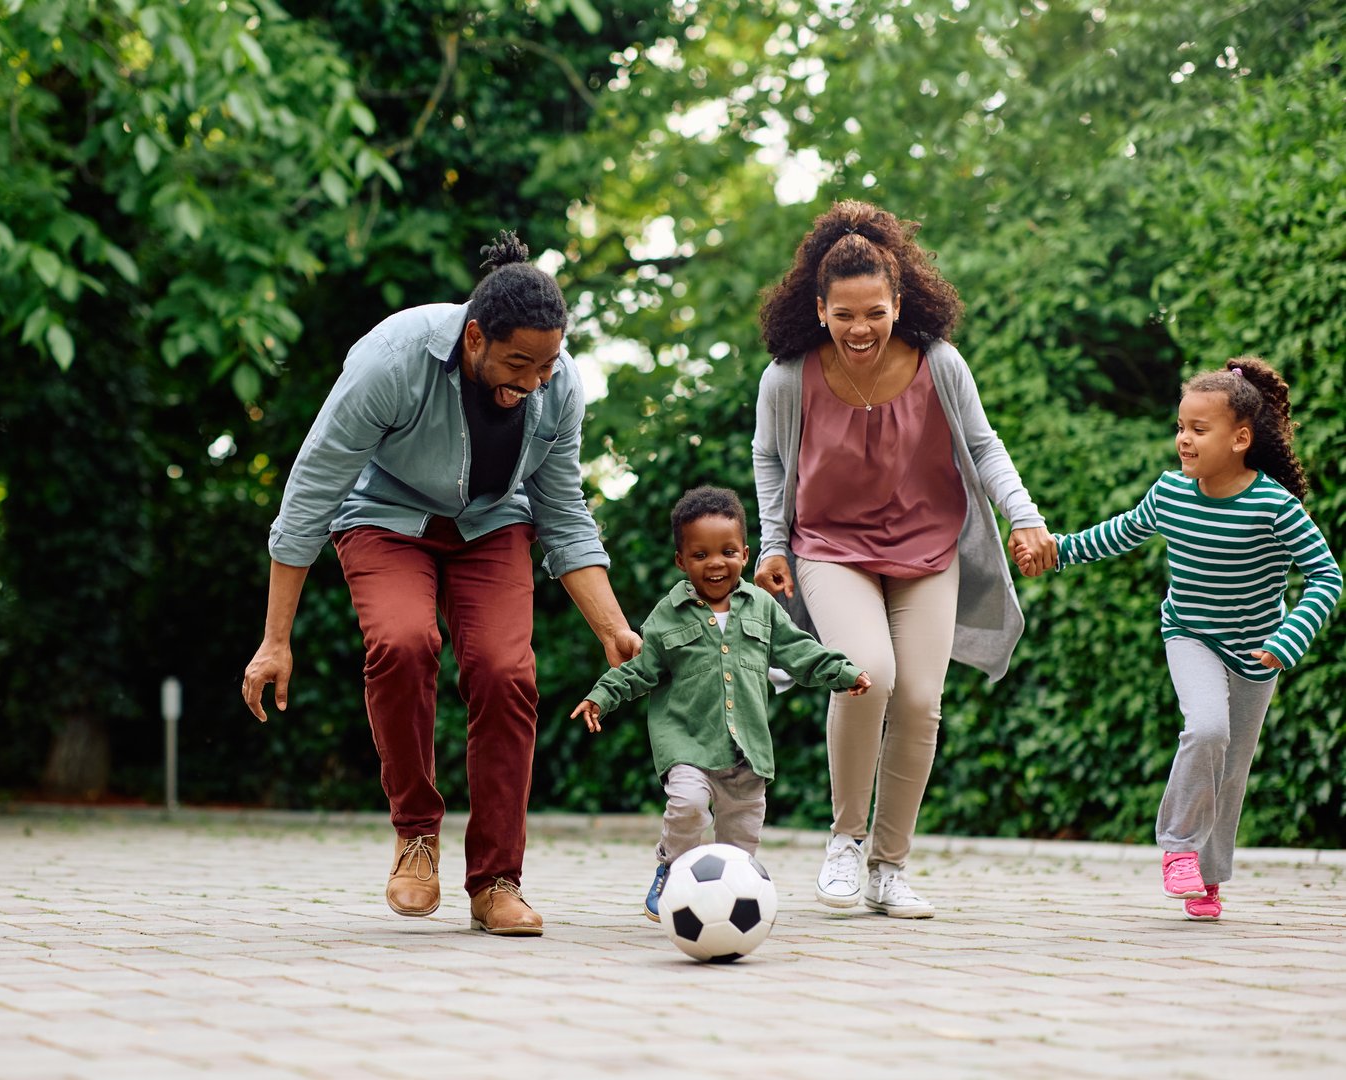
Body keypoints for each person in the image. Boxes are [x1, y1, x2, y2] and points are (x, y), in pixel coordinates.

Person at [241, 231, 643, 937]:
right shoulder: (392, 360)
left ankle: (496, 880)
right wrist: (276, 639)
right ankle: (416, 835)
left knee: (506, 672)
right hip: (385, 516)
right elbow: (310, 493)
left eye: (548, 364)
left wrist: (612, 629)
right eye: (519, 363)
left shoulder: (559, 386)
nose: (535, 381)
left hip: (493, 524)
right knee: (402, 642)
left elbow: (562, 511)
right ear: (475, 337)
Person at [752, 200, 1056, 919]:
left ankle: (889, 868)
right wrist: (771, 543)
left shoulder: (939, 365)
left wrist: (1026, 515)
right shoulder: (788, 377)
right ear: (819, 309)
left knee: (920, 699)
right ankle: (845, 841)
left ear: (898, 303)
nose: (860, 329)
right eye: (844, 314)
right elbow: (770, 459)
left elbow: (982, 446)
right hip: (830, 546)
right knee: (866, 674)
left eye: (875, 313)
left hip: (925, 546)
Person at [1016, 358, 1340, 920]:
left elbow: (1326, 577)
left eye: (1198, 429)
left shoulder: (1274, 505)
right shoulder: (1170, 492)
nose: (1183, 439)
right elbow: (1119, 532)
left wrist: (1289, 639)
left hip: (1259, 651)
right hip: (1190, 634)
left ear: (1240, 439)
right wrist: (1057, 551)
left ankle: (1208, 880)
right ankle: (1179, 849)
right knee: (1207, 728)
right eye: (1180, 427)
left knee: (1231, 769)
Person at [570, 486, 872, 922]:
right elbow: (639, 670)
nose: (715, 563)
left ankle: (732, 903)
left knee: (741, 838)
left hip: (746, 749)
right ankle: (672, 866)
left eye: (727, 552)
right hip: (687, 743)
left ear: (745, 555)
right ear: (681, 561)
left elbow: (799, 651)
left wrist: (843, 673)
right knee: (688, 805)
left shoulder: (762, 608)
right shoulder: (667, 615)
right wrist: (601, 695)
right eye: (700, 554)